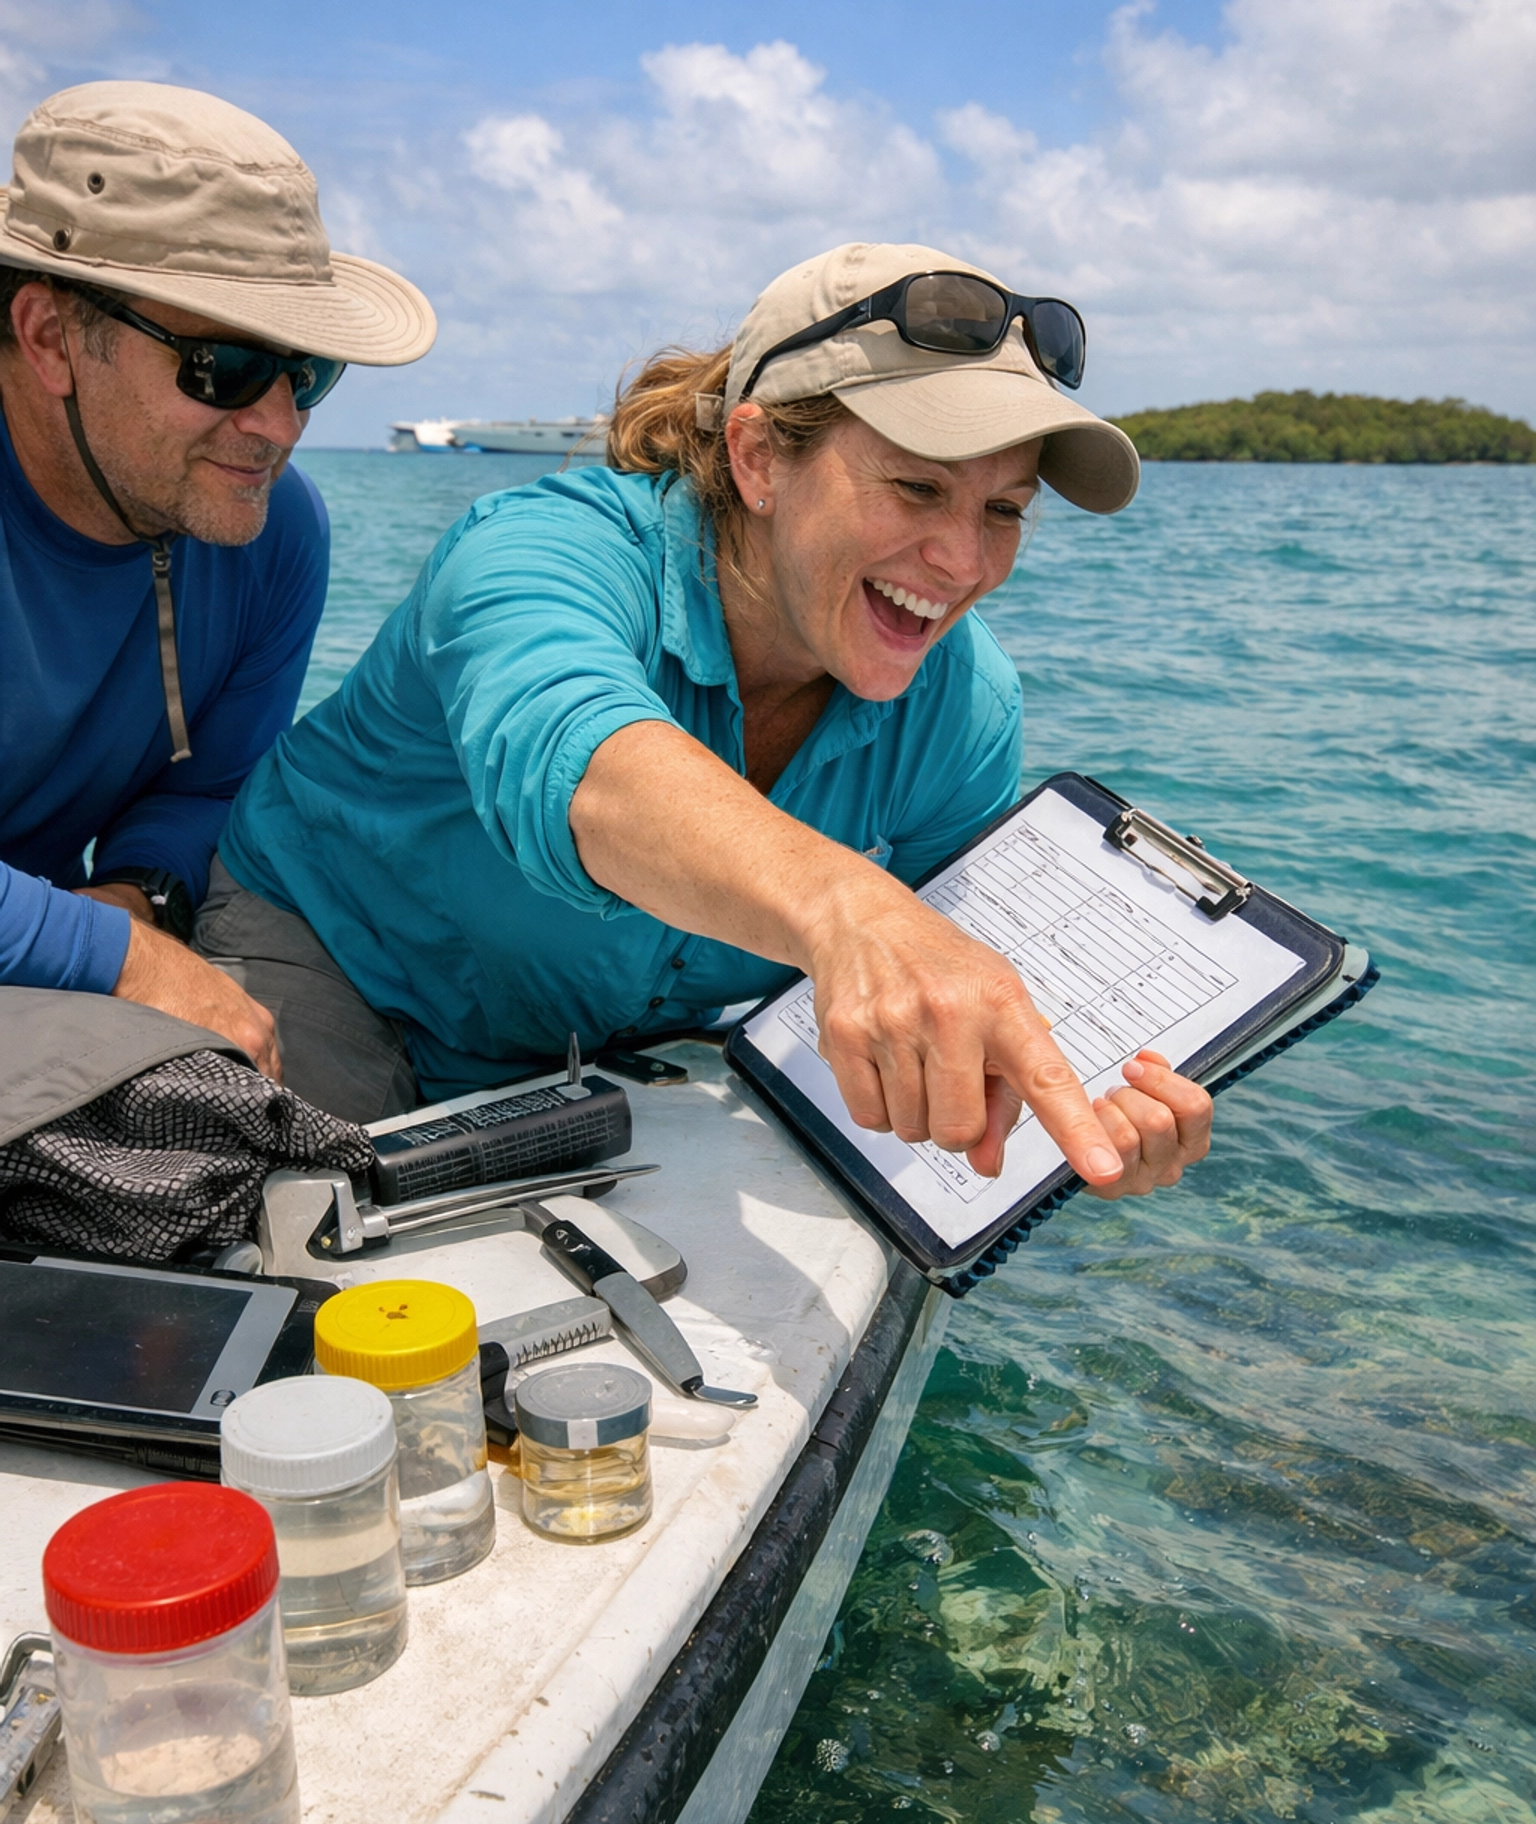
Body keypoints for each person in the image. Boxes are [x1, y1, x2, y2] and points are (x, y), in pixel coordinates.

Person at [208, 242, 1212, 1195]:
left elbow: (949, 967)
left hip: (590, 1053)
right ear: (760, 456)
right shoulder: (536, 551)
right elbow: (589, 769)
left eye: (1003, 511)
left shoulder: (967, 705)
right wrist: (846, 909)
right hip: (333, 971)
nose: (962, 563)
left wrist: (1075, 1102)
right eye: (917, 487)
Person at [0, 80, 436, 1079]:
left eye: (305, 374)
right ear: (50, 338)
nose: (280, 428)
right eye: (224, 366)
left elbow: (210, 785)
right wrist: (113, 955)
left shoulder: (274, 534)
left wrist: (137, 899)